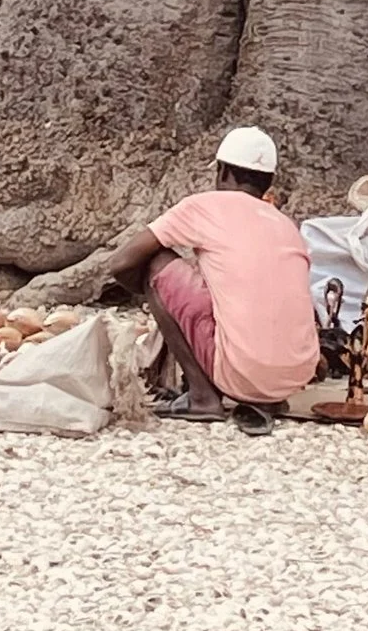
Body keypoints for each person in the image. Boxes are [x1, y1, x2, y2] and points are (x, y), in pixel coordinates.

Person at [88, 126, 317, 435]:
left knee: (156, 265)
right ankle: (266, 395)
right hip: (293, 377)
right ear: (269, 182)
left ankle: (202, 396)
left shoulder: (204, 205)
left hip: (242, 374)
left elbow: (122, 262)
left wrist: (150, 293)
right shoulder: (286, 225)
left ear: (222, 172)